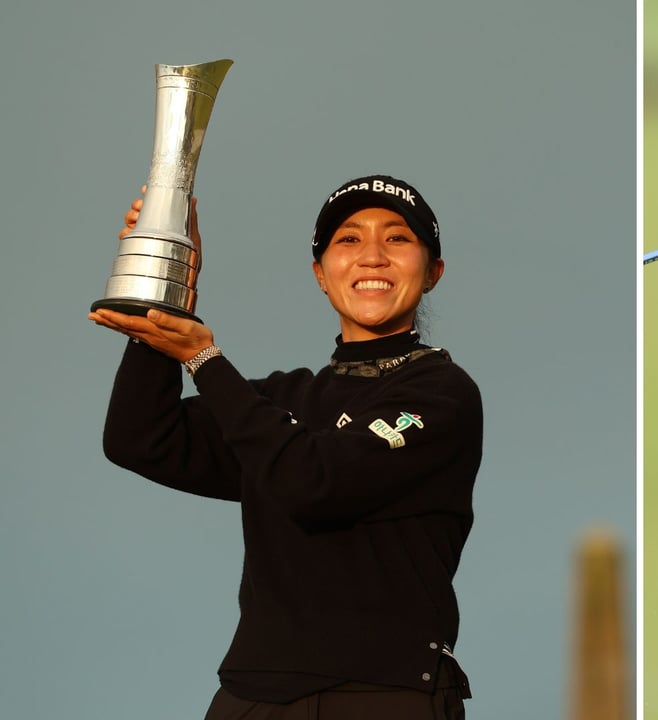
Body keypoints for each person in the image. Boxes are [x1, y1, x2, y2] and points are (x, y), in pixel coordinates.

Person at [88, 174, 482, 720]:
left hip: (386, 695)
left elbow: (313, 482)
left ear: (433, 271)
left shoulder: (442, 394)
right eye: (347, 240)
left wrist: (204, 361)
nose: (371, 256)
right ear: (320, 274)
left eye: (397, 238)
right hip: (252, 697)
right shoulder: (283, 399)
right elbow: (141, 439)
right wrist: (166, 290)